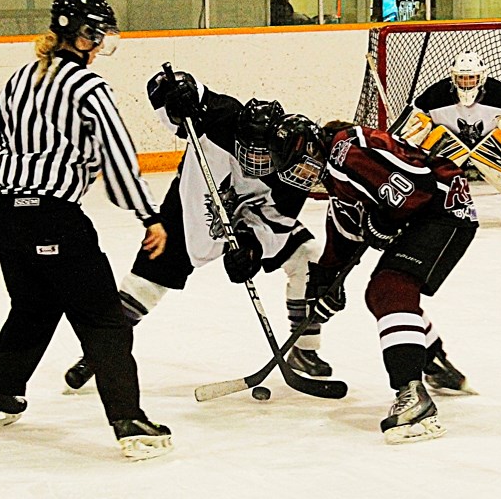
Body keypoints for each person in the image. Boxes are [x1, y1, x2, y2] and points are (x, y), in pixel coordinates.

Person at [0, 0, 172, 461]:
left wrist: (16, 178)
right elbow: (118, 157)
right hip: (53, 218)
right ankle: (130, 422)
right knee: (103, 318)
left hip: (2, 214)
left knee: (32, 306)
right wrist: (148, 214)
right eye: (99, 32)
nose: (104, 41)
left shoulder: (20, 78)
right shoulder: (89, 89)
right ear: (84, 35)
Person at [63, 72, 335, 391]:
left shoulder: (291, 174)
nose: (254, 163)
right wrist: (175, 93)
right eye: (249, 153)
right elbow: (177, 93)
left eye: (264, 158)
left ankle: (305, 349)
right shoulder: (222, 117)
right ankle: (97, 353)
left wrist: (252, 248)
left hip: (245, 219)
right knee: (143, 286)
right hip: (188, 211)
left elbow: (274, 223)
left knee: (308, 257)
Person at [267, 115, 479, 444]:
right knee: (380, 295)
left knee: (390, 288)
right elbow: (345, 229)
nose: (305, 177)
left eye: (303, 165)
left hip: (444, 210)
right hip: (431, 212)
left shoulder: (347, 152)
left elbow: (418, 187)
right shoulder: (337, 173)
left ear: (314, 148)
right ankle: (430, 359)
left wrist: (386, 217)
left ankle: (413, 394)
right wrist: (326, 282)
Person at [405, 50, 501, 153]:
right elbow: (412, 115)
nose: (466, 82)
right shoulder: (436, 94)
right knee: (419, 124)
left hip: (494, 154)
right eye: (461, 77)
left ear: (481, 77)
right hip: (447, 154)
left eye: (471, 77)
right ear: (453, 77)